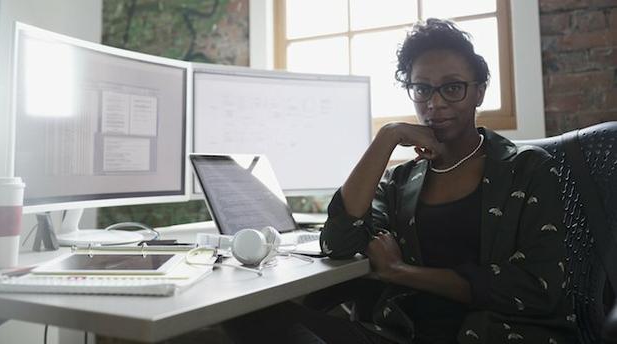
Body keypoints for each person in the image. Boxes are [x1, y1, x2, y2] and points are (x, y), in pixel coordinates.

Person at [224, 18, 576, 344]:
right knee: (248, 316)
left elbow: (536, 287)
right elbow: (339, 242)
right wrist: (387, 136)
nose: (435, 103)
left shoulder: (527, 168)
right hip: (403, 333)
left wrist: (401, 272)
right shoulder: (401, 182)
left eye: (452, 88)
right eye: (421, 89)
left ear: (479, 92)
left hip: (492, 334)